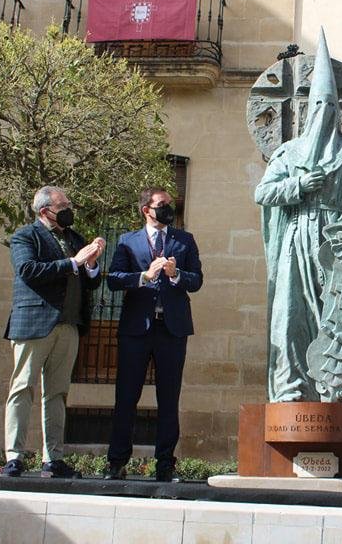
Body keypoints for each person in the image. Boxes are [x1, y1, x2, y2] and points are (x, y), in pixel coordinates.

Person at [254, 28, 342, 403]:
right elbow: (263, 193)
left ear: (338, 110)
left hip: (338, 247)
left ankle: (339, 387)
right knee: (288, 315)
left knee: (341, 317)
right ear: (307, 110)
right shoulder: (288, 153)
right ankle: (289, 388)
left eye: (330, 106)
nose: (324, 113)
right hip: (296, 239)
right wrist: (299, 186)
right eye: (318, 106)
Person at [2, 186, 105, 478]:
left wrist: (92, 263)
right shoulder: (25, 235)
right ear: (46, 210)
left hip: (68, 325)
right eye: (64, 205)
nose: (69, 208)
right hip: (34, 324)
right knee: (22, 388)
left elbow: (91, 283)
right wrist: (74, 261)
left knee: (57, 393)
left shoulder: (74, 238)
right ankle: (14, 456)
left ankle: (53, 458)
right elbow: (28, 270)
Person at [103, 187, 203, 482]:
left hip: (172, 330)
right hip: (136, 329)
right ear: (146, 209)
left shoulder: (184, 240)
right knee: (126, 397)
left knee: (169, 399)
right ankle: (117, 462)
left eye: (170, 204)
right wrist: (144, 277)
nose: (168, 209)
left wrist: (175, 274)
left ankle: (165, 465)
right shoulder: (127, 241)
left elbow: (196, 280)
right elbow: (115, 280)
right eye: (162, 204)